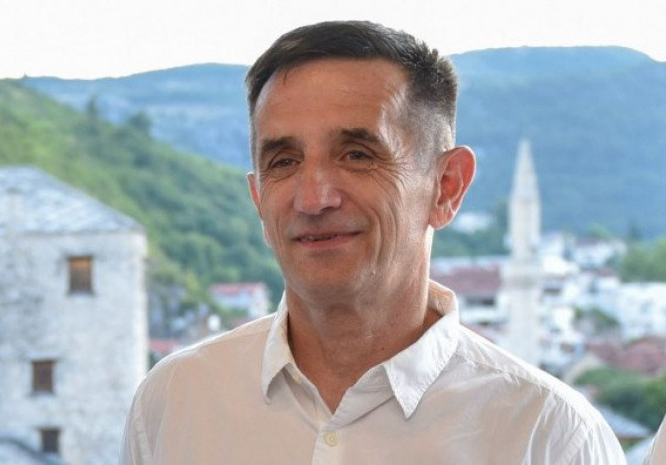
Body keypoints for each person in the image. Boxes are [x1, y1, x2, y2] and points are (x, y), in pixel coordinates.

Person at [119, 20, 625, 464]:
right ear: (258, 198)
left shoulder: (549, 437)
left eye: (358, 155)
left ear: (447, 187)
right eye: (284, 162)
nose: (313, 198)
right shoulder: (176, 402)